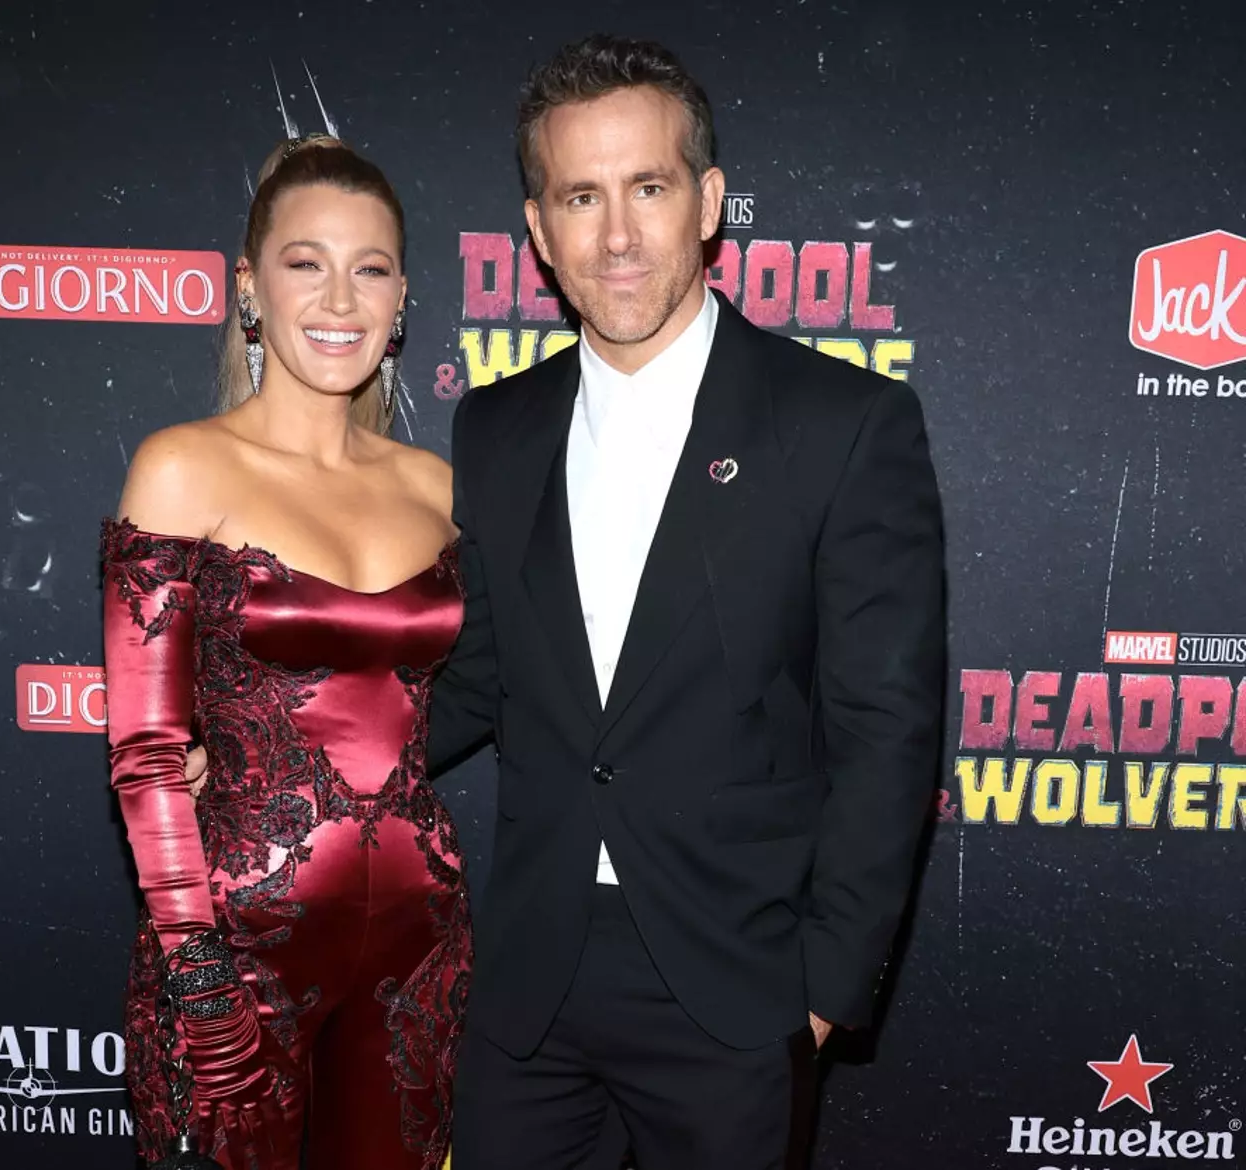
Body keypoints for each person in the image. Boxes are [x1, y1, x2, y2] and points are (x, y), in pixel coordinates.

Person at [425, 35, 947, 1170]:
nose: (617, 236)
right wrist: (286, 765)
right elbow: (475, 674)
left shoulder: (842, 426)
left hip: (736, 981)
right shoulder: (496, 430)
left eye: (648, 188)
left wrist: (821, 991)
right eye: (581, 196)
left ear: (707, 202)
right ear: (539, 230)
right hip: (531, 982)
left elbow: (887, 730)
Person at [101, 136, 470, 1170]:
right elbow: (144, 758)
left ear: (403, 299)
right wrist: (198, 975)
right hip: (232, 960)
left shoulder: (438, 492)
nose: (340, 297)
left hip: (417, 954)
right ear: (249, 289)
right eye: (306, 261)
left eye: (372, 267)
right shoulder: (183, 467)